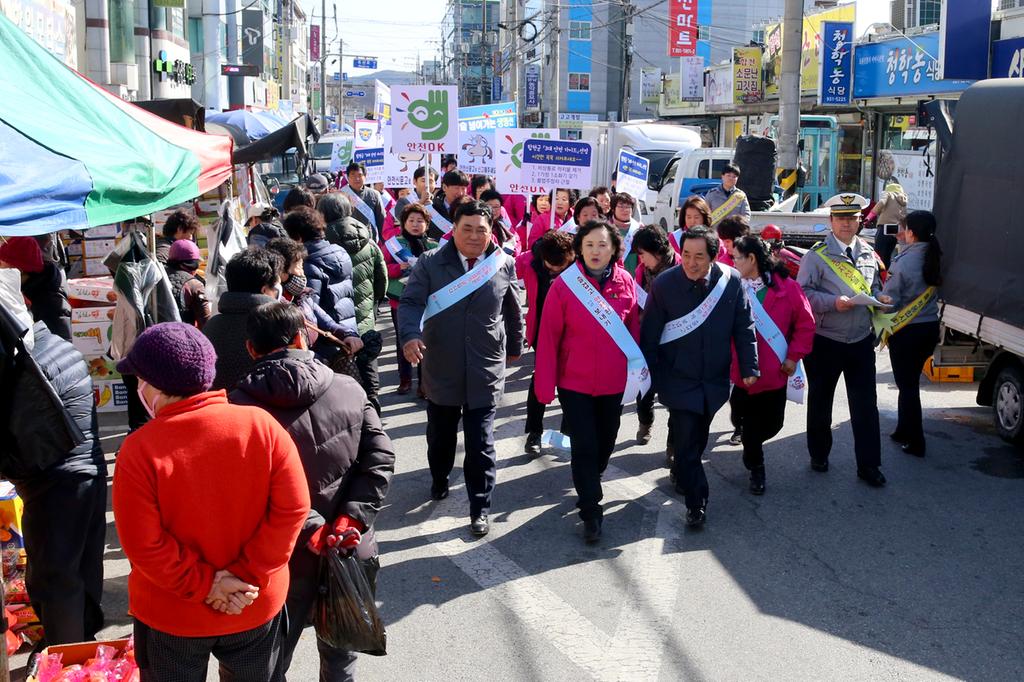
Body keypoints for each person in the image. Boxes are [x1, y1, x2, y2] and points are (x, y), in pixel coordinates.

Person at [112, 322, 310, 680]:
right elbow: (293, 509)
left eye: (140, 379)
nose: (139, 387)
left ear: (155, 385)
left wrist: (206, 584)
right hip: (253, 602)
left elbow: (143, 545)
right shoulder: (261, 426)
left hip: (173, 611)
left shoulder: (139, 449)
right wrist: (245, 576)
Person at [230, 302, 395, 680]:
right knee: (340, 656)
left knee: (269, 663)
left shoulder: (237, 408)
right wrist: (351, 516)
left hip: (280, 557)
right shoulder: (348, 386)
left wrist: (312, 528)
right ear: (302, 337)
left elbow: (253, 487)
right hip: (350, 543)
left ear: (251, 349)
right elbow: (381, 455)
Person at [399, 200, 524, 537]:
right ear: (452, 229)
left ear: (490, 231)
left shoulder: (502, 263)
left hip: (485, 366)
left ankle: (479, 507)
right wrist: (410, 336)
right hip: (441, 364)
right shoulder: (430, 264)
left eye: (480, 230)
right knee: (440, 436)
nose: (473, 236)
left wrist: (515, 345)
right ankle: (439, 477)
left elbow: (512, 309)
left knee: (481, 443)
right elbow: (411, 303)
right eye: (466, 228)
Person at [640, 226, 758, 528]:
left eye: (700, 257)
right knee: (685, 440)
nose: (692, 263)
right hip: (678, 377)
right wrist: (648, 379)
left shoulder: (730, 282)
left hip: (714, 380)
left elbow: (744, 327)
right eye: (687, 255)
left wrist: (749, 368)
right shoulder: (665, 284)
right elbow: (650, 333)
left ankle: (683, 470)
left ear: (714, 255)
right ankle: (697, 503)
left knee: (697, 439)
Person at [535, 221, 644, 543]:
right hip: (575, 383)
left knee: (605, 443)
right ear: (580, 248)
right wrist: (544, 384)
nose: (596, 251)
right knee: (584, 445)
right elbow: (549, 337)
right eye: (590, 245)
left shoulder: (626, 281)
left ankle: (589, 480)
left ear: (614, 249)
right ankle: (591, 509)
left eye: (603, 245)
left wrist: (638, 378)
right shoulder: (564, 285)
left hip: (613, 383)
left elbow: (633, 331)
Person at [1, 319, 106, 647]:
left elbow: (30, 440)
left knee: (55, 579)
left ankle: (67, 656)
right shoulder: (51, 344)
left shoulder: (24, 365)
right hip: (85, 470)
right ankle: (81, 649)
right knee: (80, 573)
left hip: (58, 481)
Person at [797, 193, 888, 487]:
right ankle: (819, 454)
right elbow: (803, 296)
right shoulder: (816, 255)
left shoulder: (868, 253)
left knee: (865, 405)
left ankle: (869, 465)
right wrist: (833, 303)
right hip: (827, 340)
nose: (847, 224)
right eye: (841, 218)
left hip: (860, 340)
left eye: (852, 218)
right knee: (821, 401)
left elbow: (873, 286)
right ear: (831, 221)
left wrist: (880, 298)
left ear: (860, 220)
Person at [728, 235, 815, 494]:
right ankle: (756, 464)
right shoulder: (731, 286)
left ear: (752, 259)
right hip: (741, 372)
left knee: (771, 424)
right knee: (740, 416)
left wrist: (793, 356)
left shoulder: (787, 288)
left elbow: (806, 325)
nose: (732, 262)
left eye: (737, 258)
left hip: (775, 372)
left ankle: (752, 452)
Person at [318, 193, 388, 413]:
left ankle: (350, 411)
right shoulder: (368, 240)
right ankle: (373, 402)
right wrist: (372, 304)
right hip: (366, 312)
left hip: (336, 317)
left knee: (342, 364)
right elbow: (381, 278)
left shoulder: (322, 244)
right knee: (368, 360)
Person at [881, 210, 942, 457]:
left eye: (903, 228)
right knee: (910, 382)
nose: (900, 233)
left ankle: (916, 442)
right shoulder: (934, 255)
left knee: (907, 387)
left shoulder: (903, 262)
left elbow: (890, 300)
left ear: (912, 233)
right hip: (929, 328)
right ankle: (902, 428)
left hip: (906, 332)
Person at [516, 229, 575, 455]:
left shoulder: (580, 263)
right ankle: (534, 432)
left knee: (571, 385)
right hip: (542, 331)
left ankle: (568, 432)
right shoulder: (529, 260)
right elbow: (503, 269)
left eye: (561, 267)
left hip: (574, 333)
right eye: (551, 267)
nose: (555, 271)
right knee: (540, 381)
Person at [282, 206, 362, 365]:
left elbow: (311, 307)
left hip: (327, 338)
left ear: (297, 237)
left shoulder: (309, 263)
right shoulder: (340, 251)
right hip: (347, 327)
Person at [265, 237, 356, 365]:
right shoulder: (274, 306)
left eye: (303, 267)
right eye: (298, 267)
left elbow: (327, 323)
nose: (302, 274)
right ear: (281, 271)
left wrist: (348, 334)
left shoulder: (303, 297)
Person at [202, 246, 282, 391]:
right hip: (264, 410)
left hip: (220, 407)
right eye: (276, 285)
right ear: (264, 290)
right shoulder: (278, 325)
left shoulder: (211, 325)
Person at [384, 204, 439, 396]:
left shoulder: (433, 245)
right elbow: (384, 269)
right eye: (411, 221)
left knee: (426, 341)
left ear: (427, 224)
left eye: (420, 221)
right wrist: (401, 268)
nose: (416, 225)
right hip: (400, 299)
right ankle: (405, 379)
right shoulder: (394, 244)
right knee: (404, 339)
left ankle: (424, 383)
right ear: (404, 223)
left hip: (427, 301)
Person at [632, 226, 680, 446]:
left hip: (675, 341)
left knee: (676, 400)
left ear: (657, 251)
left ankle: (672, 444)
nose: (640, 259)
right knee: (645, 390)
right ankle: (645, 422)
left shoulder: (681, 266)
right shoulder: (643, 270)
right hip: (647, 338)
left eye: (643, 253)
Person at [0, 236, 71, 341]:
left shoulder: (48, 302)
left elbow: (60, 344)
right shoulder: (27, 290)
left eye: (1, 263)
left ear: (17, 268)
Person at [165, 239, 211, 330]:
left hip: (153, 338)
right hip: (182, 337)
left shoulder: (157, 276)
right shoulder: (194, 284)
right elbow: (206, 323)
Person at [865, 181, 908, 268]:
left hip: (884, 227)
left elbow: (881, 203)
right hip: (896, 229)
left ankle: (879, 275)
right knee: (888, 254)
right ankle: (886, 274)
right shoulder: (903, 199)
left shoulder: (888, 194)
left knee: (878, 255)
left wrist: (869, 217)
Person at [340, 162, 386, 240]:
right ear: (347, 177)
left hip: (370, 239)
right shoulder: (341, 195)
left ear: (365, 176)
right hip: (349, 239)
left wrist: (383, 240)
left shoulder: (374, 194)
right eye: (353, 175)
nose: (357, 178)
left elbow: (381, 219)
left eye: (360, 175)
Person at [704, 162, 751, 227]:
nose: (731, 178)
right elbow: (705, 214)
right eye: (728, 175)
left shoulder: (741, 196)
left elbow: (746, 215)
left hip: (734, 233)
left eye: (734, 177)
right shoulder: (712, 194)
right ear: (722, 176)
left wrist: (740, 227)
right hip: (716, 233)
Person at [427, 170, 470, 240]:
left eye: (463, 188)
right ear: (444, 187)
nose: (460, 193)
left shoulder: (470, 209)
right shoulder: (432, 209)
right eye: (457, 188)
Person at [480, 189, 522, 256]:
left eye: (496, 207)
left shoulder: (503, 222)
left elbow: (516, 239)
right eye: (489, 207)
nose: (493, 210)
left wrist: (514, 251)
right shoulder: (478, 225)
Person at [609, 192, 641, 273]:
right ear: (613, 209)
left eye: (628, 206)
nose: (625, 210)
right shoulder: (606, 228)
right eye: (621, 206)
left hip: (635, 275)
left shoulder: (639, 228)